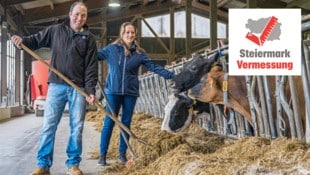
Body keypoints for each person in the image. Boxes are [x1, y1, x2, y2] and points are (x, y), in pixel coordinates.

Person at [11, 2, 98, 175]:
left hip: (78, 88)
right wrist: (21, 42)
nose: (79, 18)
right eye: (77, 14)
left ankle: (73, 165)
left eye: (83, 15)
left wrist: (90, 91)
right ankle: (43, 165)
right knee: (49, 125)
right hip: (57, 85)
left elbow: (91, 68)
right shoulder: (56, 30)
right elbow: (35, 40)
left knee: (77, 126)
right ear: (70, 13)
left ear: (86, 18)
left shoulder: (89, 39)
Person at [97, 22, 175, 166]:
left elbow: (153, 67)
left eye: (132, 32)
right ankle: (103, 155)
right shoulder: (111, 49)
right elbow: (94, 56)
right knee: (109, 123)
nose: (130, 35)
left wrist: (171, 75)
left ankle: (122, 154)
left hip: (130, 93)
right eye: (127, 32)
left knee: (126, 123)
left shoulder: (139, 54)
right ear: (122, 33)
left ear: (135, 34)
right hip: (113, 91)